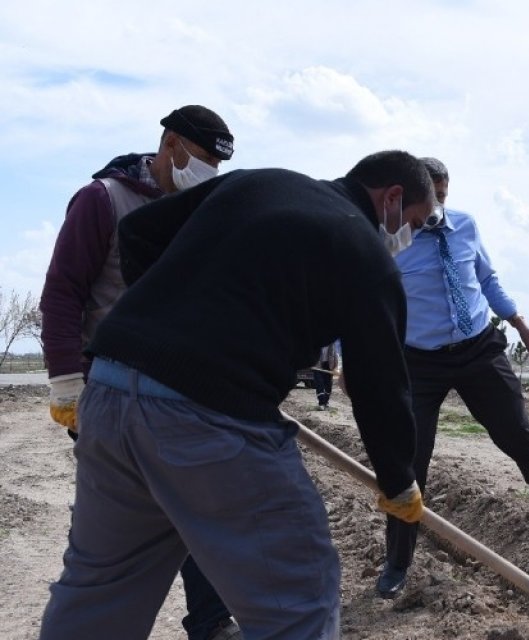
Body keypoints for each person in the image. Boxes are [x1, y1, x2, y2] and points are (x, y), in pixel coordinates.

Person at [38, 150, 434, 639]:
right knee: (299, 594)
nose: (408, 238)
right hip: (205, 423)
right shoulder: (366, 255)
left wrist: (167, 321)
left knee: (102, 588)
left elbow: (138, 231)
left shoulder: (257, 183)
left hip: (112, 390)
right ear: (392, 197)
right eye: (414, 223)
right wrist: (399, 483)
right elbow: (381, 386)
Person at [38, 105, 242, 640]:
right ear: (170, 143)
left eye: (214, 169)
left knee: (201, 509)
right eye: (198, 161)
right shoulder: (103, 200)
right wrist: (66, 383)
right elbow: (62, 294)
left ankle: (212, 622)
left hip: (182, 392)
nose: (205, 175)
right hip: (109, 389)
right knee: (113, 525)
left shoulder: (201, 208)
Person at [375, 156, 529, 599]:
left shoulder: (466, 226)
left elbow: (486, 278)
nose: (435, 208)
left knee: (517, 430)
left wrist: (518, 322)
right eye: (429, 198)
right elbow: (366, 295)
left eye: (443, 197)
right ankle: (397, 561)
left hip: (477, 347)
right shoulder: (389, 238)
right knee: (409, 462)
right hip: (419, 360)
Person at [314, 342, 339, 409]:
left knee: (328, 386)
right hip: (317, 365)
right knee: (319, 384)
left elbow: (335, 354)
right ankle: (321, 403)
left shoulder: (332, 343)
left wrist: (335, 367)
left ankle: (326, 402)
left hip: (329, 366)